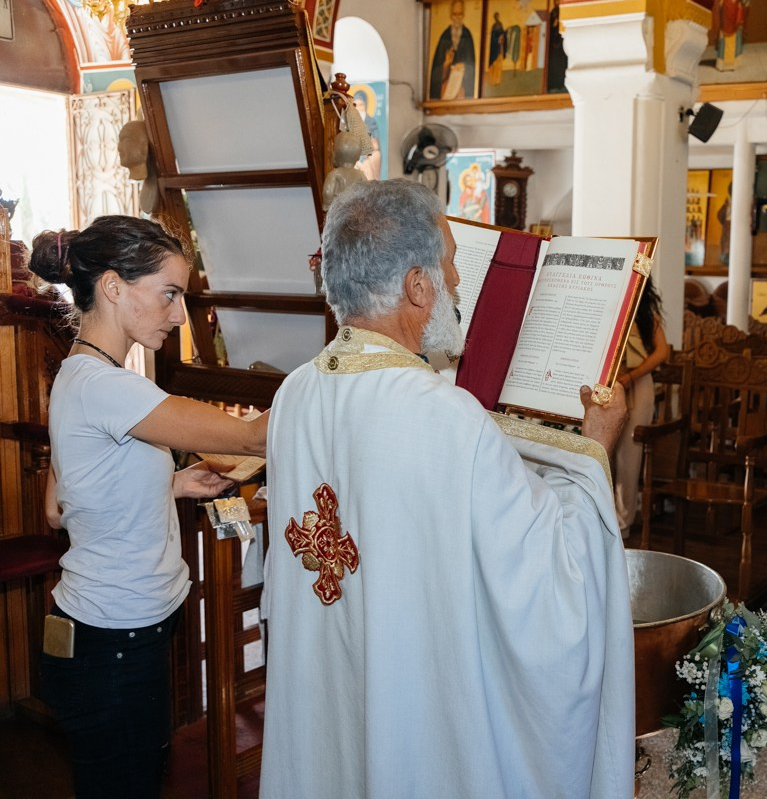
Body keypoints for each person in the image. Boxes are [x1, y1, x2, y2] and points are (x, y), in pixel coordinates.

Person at [258, 180, 634, 798]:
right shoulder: (443, 415)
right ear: (417, 286)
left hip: (327, 681)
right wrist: (595, 447)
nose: (460, 286)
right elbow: (551, 578)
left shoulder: (295, 392)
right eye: (453, 266)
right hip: (414, 708)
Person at [31, 215, 268, 798]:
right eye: (169, 293)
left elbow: (59, 508)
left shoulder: (79, 377)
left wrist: (170, 485)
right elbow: (253, 438)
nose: (179, 314)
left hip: (97, 634)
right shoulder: (112, 388)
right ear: (113, 286)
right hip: (114, 645)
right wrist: (346, 371)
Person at [615, 277, 669, 540]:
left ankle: (623, 523)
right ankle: (602, 516)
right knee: (603, 451)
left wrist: (632, 376)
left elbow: (661, 352)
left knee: (629, 453)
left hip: (638, 383)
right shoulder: (609, 303)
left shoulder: (647, 312)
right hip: (610, 383)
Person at [429, 0, 476, 100]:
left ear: (463, 16)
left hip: (462, 88)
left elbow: (473, 69)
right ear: (451, 16)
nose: (457, 18)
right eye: (455, 14)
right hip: (446, 87)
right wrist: (445, 65)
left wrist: (464, 67)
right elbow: (434, 75)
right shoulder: (444, 37)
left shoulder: (467, 35)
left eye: (460, 14)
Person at [488, 11, 507, 86]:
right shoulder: (494, 26)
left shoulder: (500, 25)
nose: (498, 18)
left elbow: (503, 34)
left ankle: (498, 80)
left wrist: (503, 36)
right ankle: (493, 80)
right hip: (495, 49)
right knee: (494, 65)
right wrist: (498, 40)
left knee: (499, 65)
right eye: (497, 16)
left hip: (500, 48)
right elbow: (492, 38)